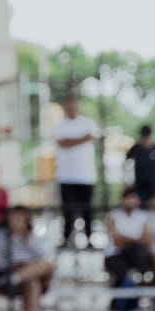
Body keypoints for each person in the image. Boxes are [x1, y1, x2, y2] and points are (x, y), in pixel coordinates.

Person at [0, 206, 54, 311]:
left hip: (35, 272)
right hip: (9, 273)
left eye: (20, 219)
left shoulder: (33, 237)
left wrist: (28, 242)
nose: (16, 222)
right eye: (13, 219)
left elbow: (44, 257)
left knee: (48, 265)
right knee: (32, 282)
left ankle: (14, 279)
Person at [54, 94, 98, 248]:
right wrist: (81, 139)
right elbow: (63, 143)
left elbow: (88, 137)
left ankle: (89, 239)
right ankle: (66, 239)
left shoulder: (88, 123)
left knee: (87, 210)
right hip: (66, 176)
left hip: (85, 176)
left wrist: (72, 140)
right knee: (68, 211)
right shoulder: (60, 125)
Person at [104, 186, 153, 309]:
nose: (131, 201)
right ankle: (119, 303)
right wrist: (136, 239)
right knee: (124, 268)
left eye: (133, 198)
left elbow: (147, 240)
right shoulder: (114, 216)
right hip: (117, 256)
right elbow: (116, 241)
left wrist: (126, 239)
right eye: (128, 198)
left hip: (136, 256)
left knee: (137, 252)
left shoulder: (143, 216)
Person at [126, 124, 155, 207]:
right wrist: (128, 183)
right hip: (140, 185)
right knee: (142, 207)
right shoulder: (135, 149)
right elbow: (127, 166)